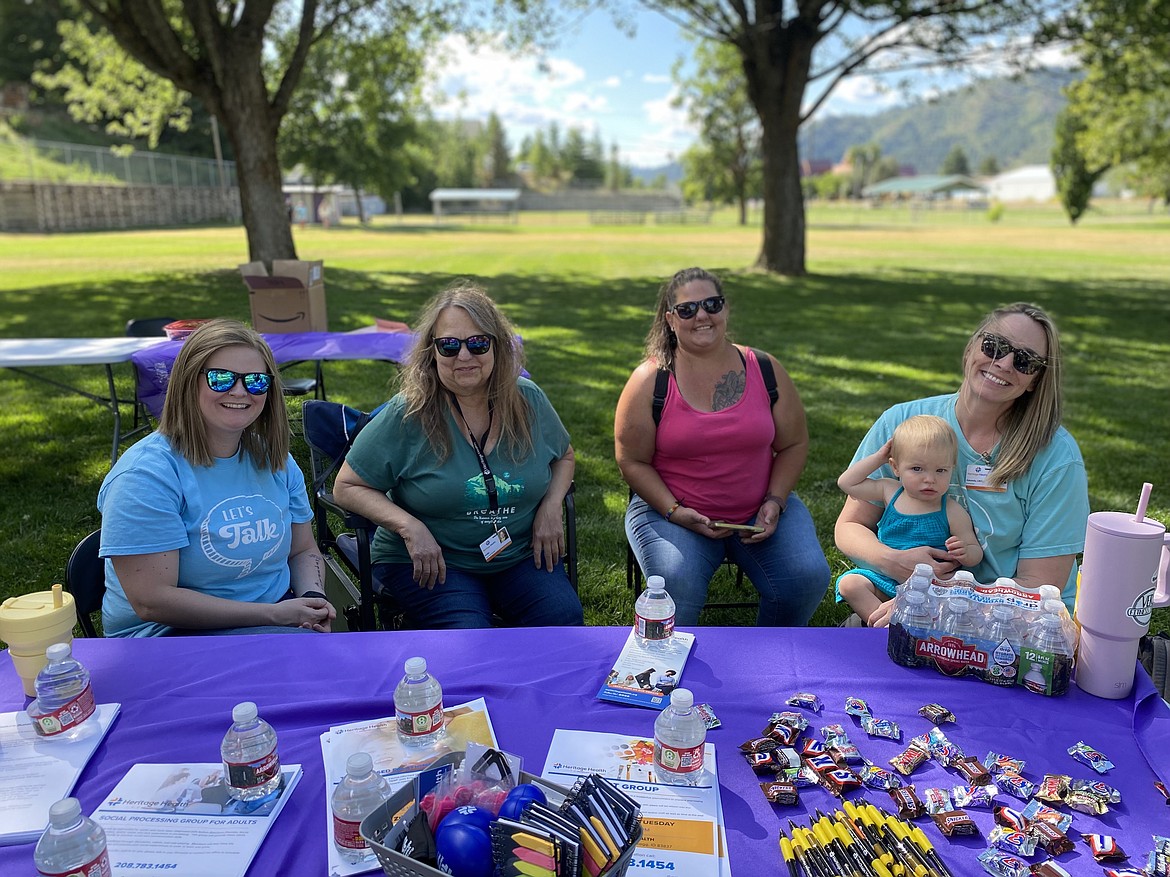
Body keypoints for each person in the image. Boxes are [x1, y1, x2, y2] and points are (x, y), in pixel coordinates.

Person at [333, 282, 584, 629]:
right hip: (433, 560)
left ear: (497, 347)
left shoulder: (528, 400)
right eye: (448, 346)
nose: (463, 356)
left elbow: (564, 456)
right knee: (468, 633)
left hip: (518, 554)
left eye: (478, 343)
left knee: (562, 618)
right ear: (431, 354)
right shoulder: (408, 414)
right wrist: (410, 527)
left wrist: (551, 505)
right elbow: (346, 486)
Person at [835, 302, 1089, 627]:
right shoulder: (903, 423)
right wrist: (893, 561)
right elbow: (850, 527)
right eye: (994, 346)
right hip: (904, 594)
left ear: (1036, 381)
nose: (1005, 363)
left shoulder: (1055, 457)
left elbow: (1039, 588)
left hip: (1010, 622)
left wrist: (935, 605)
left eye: (1025, 361)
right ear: (971, 348)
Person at [615, 267, 830, 627]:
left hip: (759, 509)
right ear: (670, 319)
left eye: (712, 304)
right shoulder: (650, 380)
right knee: (674, 583)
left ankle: (772, 659)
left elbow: (793, 444)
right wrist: (675, 511)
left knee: (806, 576)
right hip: (673, 512)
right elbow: (631, 461)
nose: (702, 315)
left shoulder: (764, 368)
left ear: (725, 309)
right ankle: (674, 671)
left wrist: (775, 502)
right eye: (687, 309)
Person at [98, 319, 334, 637]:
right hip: (168, 637)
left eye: (256, 381)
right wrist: (274, 616)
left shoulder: (276, 459)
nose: (240, 391)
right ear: (187, 382)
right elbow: (152, 602)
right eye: (221, 378)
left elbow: (302, 550)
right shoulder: (145, 477)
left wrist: (312, 599)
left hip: (274, 618)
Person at [835, 414, 984, 622]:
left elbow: (974, 550)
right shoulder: (890, 491)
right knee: (850, 584)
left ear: (952, 469)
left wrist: (965, 552)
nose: (929, 479)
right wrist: (878, 457)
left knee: (960, 589)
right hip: (885, 577)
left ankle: (902, 624)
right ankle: (886, 626)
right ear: (895, 467)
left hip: (930, 584)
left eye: (941, 470)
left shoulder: (951, 509)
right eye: (917, 469)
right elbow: (846, 483)